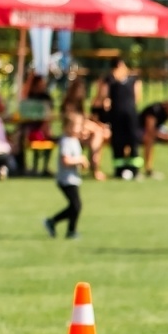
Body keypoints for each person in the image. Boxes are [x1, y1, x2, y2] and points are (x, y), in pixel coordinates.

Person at [45, 107, 87, 239]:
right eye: (77, 126)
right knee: (76, 205)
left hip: (73, 178)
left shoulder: (74, 140)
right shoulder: (66, 141)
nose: (79, 129)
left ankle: (61, 226)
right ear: (67, 127)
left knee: (75, 206)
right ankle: (66, 228)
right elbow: (66, 161)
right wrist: (80, 160)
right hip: (66, 180)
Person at [103, 57, 143, 179]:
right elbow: (104, 97)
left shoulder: (133, 80)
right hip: (116, 115)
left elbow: (137, 97)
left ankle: (134, 169)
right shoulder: (109, 80)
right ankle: (119, 169)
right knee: (117, 142)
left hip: (130, 115)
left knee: (132, 141)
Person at [64, 77, 108, 180]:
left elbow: (84, 119)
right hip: (71, 134)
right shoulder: (68, 105)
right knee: (97, 133)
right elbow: (72, 123)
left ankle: (94, 167)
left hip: (82, 133)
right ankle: (95, 168)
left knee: (97, 135)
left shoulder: (81, 105)